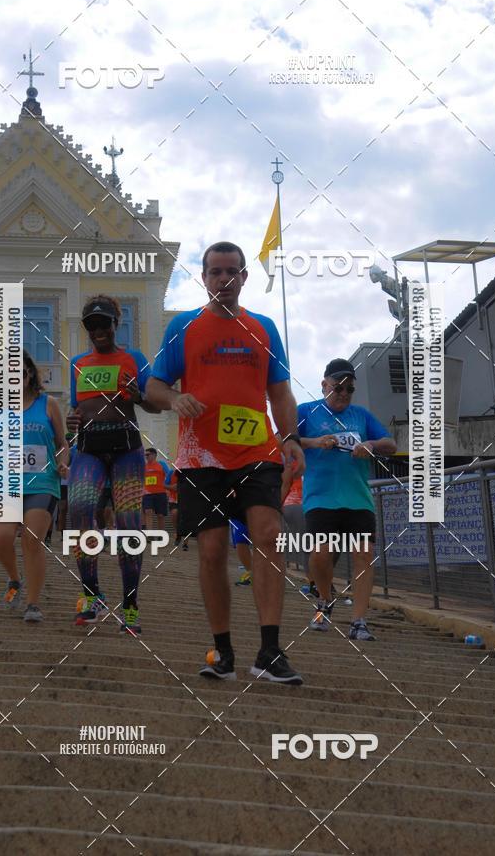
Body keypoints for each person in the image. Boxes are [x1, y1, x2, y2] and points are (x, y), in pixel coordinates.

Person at [146, 240, 305, 684]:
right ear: (204, 276)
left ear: (243, 277)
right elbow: (154, 387)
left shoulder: (264, 328)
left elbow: (280, 392)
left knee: (268, 536)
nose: (224, 279)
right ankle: (223, 649)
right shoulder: (184, 326)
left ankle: (271, 651)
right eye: (215, 272)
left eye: (232, 271)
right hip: (201, 456)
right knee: (213, 550)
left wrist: (290, 437)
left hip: (257, 450)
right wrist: (177, 397)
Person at [67, 295, 160, 634]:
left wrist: (138, 396)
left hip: (126, 448)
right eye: (91, 324)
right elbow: (78, 408)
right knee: (79, 510)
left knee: (129, 523)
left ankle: (131, 605)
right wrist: (71, 422)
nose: (98, 330)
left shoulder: (133, 358)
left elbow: (155, 406)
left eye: (104, 323)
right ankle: (92, 594)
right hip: (89, 448)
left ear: (115, 324)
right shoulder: (77, 362)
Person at [298, 358, 397, 641]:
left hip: (358, 499)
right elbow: (283, 438)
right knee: (320, 554)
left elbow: (391, 444)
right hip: (320, 497)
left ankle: (359, 621)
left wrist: (371, 444)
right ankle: (325, 601)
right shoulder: (306, 411)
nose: (342, 394)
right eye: (337, 387)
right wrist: (314, 442)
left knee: (363, 554)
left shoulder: (361, 415)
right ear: (324, 385)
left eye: (348, 389)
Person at [0, 350, 67, 622]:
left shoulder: (48, 404)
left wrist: (63, 463)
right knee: (0, 539)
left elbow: (62, 444)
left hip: (42, 483)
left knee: (32, 540)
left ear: (30, 374)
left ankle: (33, 604)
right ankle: (14, 579)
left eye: (21, 372)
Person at [143, 448, 170, 533]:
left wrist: (166, 486)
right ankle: (149, 534)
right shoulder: (144, 466)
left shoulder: (161, 464)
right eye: (145, 455)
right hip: (147, 494)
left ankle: (161, 534)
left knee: (160, 515)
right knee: (148, 512)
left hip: (160, 493)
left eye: (148, 455)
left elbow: (169, 475)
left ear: (154, 455)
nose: (146, 457)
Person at [166, 469, 188, 550]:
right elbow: (164, 485)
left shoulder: (190, 472)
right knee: (174, 513)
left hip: (186, 499)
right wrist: (171, 487)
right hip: (173, 499)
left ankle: (185, 543)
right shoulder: (171, 472)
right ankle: (178, 533)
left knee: (186, 519)